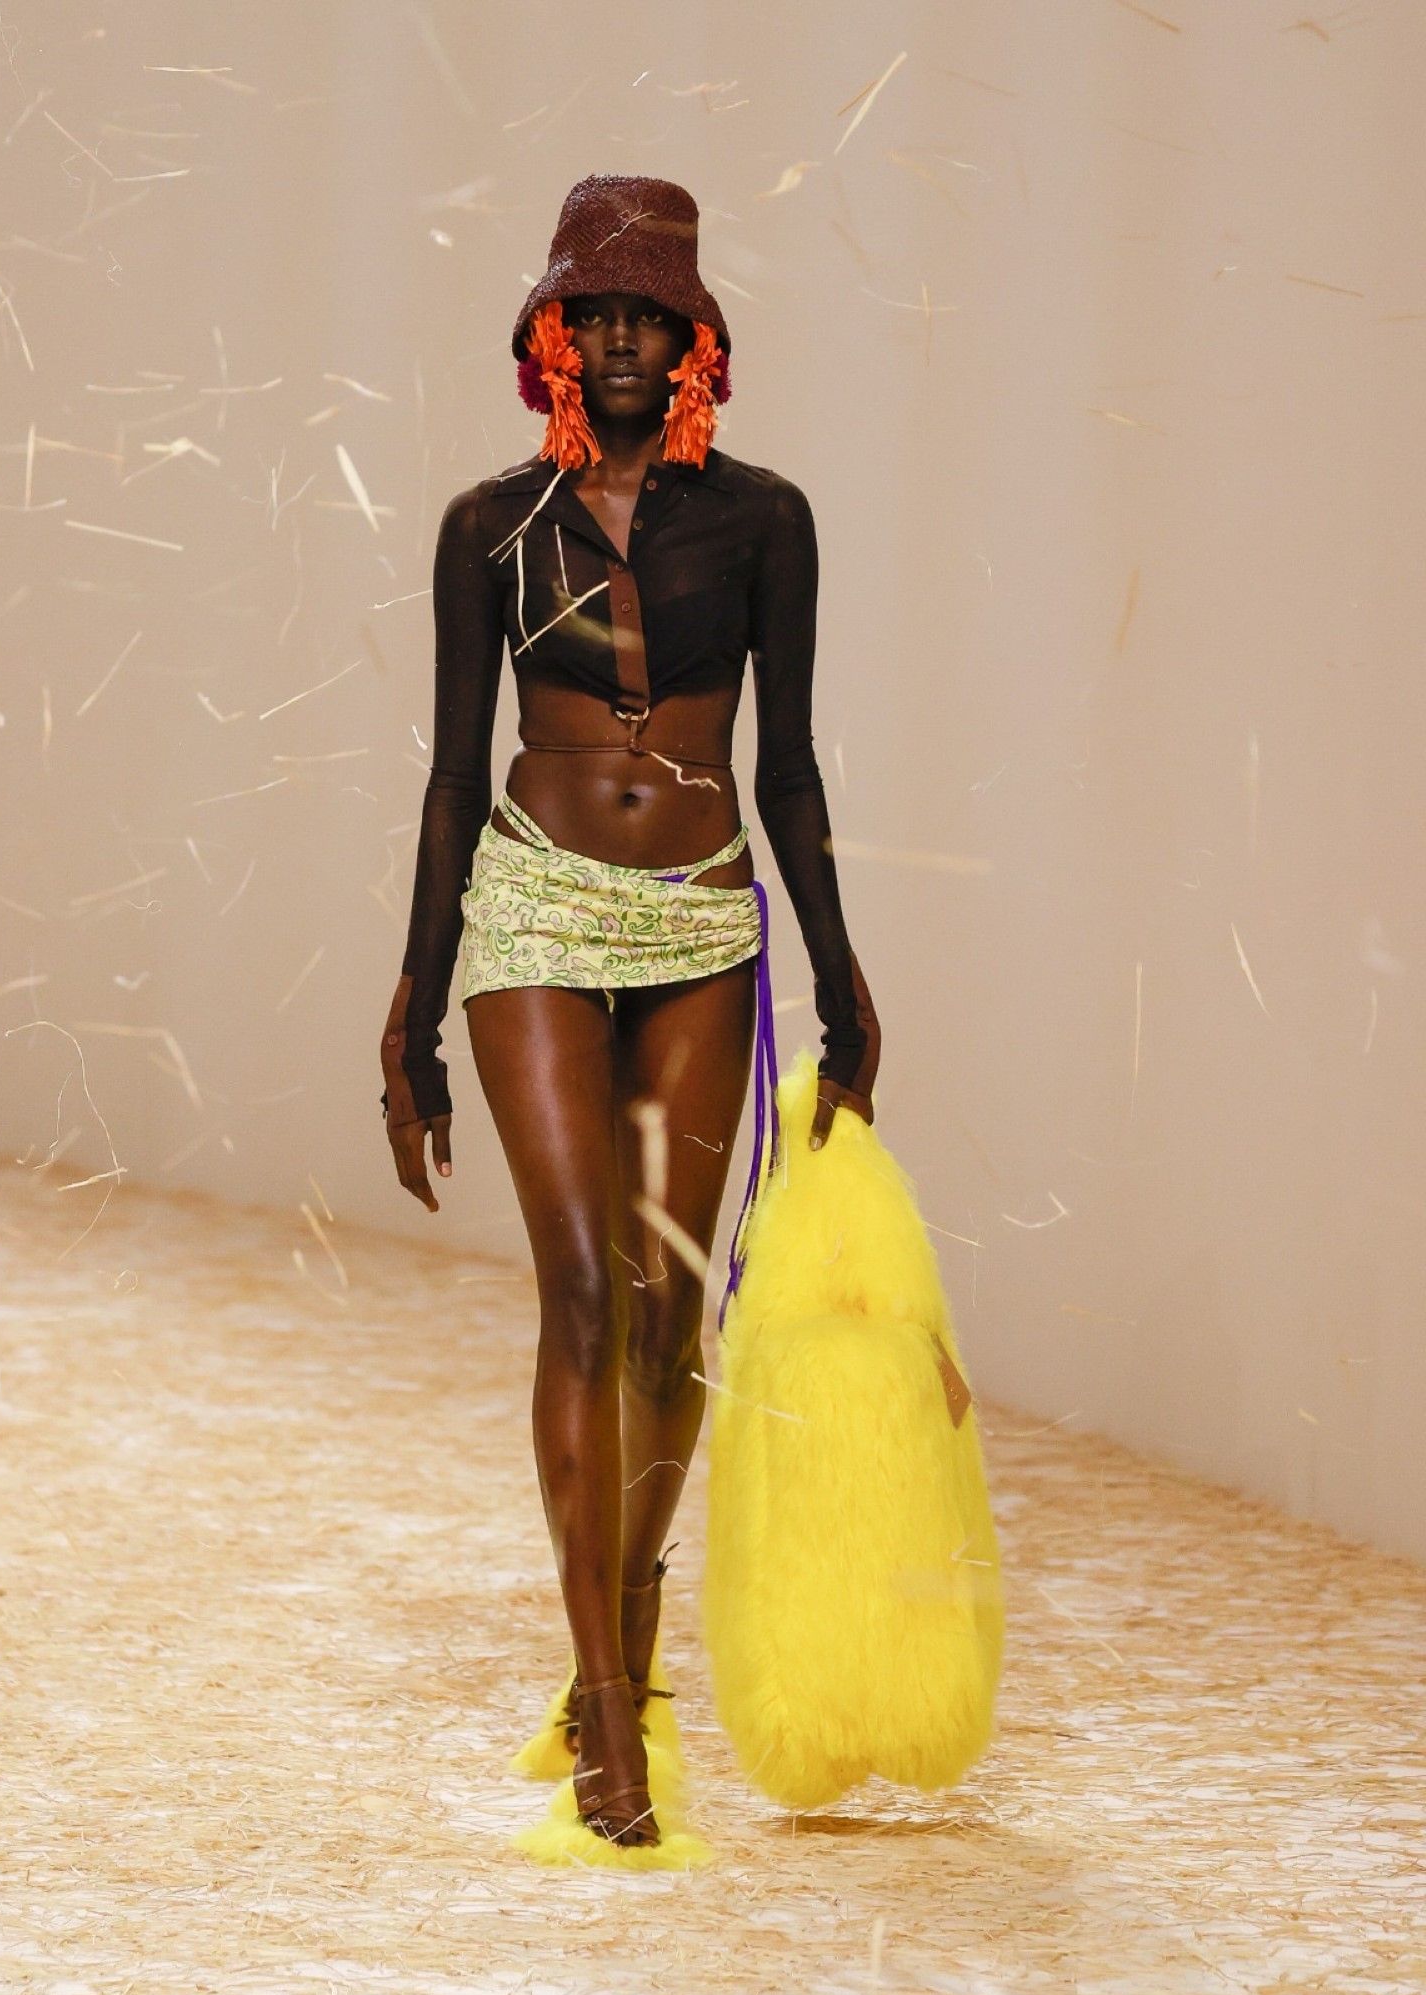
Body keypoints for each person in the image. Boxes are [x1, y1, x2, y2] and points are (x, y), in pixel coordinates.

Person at [379, 174, 880, 1851]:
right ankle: (604, 1704)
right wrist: (412, 1011)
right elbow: (454, 777)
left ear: (692, 343)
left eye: (645, 315)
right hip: (531, 906)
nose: (615, 338)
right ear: (551, 335)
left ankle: (634, 1636)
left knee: (671, 1314)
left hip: (702, 919)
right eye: (590, 311)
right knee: (585, 1290)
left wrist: (843, 978)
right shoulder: (489, 526)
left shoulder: (766, 522)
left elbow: (788, 767)